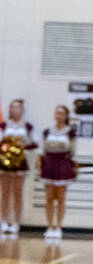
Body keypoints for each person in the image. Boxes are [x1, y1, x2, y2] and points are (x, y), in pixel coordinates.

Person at [39, 105, 76, 242]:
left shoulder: (70, 132)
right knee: (49, 197)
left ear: (66, 116)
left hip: (63, 164)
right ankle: (49, 226)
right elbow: (43, 148)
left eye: (61, 113)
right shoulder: (48, 131)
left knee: (61, 198)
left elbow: (73, 150)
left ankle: (58, 227)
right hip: (49, 164)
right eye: (57, 113)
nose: (58, 116)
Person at [0, 98, 36, 238]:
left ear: (22, 109)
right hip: (5, 161)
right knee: (5, 193)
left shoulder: (27, 126)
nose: (15, 110)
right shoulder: (4, 125)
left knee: (18, 193)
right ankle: (4, 221)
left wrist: (22, 144)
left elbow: (33, 143)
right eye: (12, 107)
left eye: (17, 107)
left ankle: (16, 222)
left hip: (20, 161)